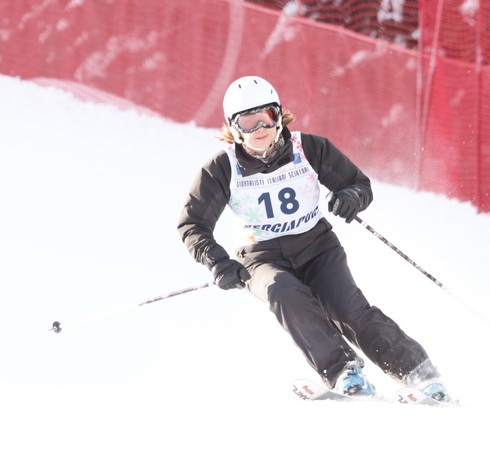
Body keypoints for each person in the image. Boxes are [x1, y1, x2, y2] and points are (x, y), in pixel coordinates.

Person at [178, 76, 451, 401]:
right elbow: (192, 224)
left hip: (317, 248)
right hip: (261, 258)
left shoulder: (309, 149)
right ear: (234, 127)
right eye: (248, 122)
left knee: (348, 308)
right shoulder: (222, 168)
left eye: (267, 116)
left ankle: (420, 375)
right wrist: (217, 262)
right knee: (284, 292)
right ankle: (344, 373)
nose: (261, 128)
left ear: (279, 115)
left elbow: (358, 184)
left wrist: (350, 197)